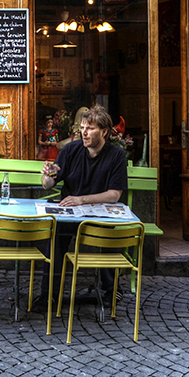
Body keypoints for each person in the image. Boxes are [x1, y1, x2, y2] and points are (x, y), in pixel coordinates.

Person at [40, 105, 128, 298]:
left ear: (104, 132)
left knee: (110, 234)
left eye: (90, 128)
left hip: (100, 213)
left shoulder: (116, 155)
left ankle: (111, 291)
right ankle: (49, 295)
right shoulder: (71, 150)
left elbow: (114, 194)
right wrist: (46, 176)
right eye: (82, 128)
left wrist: (81, 200)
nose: (84, 133)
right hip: (69, 215)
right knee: (55, 236)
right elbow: (49, 183)